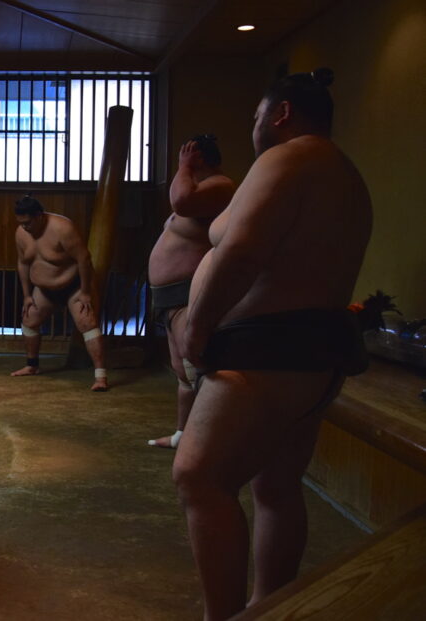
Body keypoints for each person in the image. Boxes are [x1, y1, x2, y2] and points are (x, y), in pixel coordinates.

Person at [174, 68, 371, 619]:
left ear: (281, 113)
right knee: (277, 486)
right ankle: (270, 607)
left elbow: (240, 252)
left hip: (265, 353)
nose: (253, 127)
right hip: (310, 354)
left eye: (257, 117)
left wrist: (196, 328)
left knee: (199, 476)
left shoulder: (288, 158)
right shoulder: (343, 173)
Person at [147, 136, 235, 448]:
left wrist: (185, 166)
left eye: (185, 154)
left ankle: (209, 440)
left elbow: (181, 201)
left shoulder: (220, 186)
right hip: (169, 296)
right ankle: (182, 436)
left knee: (196, 366)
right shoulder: (198, 189)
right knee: (182, 372)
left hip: (188, 293)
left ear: (197, 157)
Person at [11, 195, 108, 391]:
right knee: (29, 320)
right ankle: (32, 366)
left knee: (87, 323)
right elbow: (22, 263)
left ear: (39, 216)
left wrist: (86, 292)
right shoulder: (21, 233)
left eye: (28, 222)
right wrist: (27, 295)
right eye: (21, 223)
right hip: (44, 289)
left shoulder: (62, 228)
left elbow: (84, 259)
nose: (24, 227)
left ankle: (100, 377)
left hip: (73, 286)